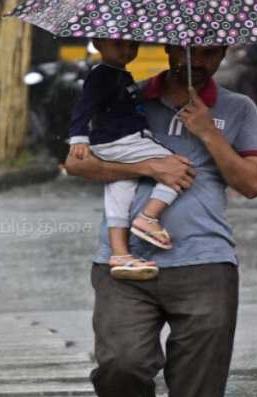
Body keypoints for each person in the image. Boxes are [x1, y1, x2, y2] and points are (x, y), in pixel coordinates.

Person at [63, 44, 257, 397]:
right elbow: (78, 163)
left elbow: (252, 182)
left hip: (207, 262)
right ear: (172, 46)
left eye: (215, 49)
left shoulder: (238, 108)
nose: (203, 57)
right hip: (123, 264)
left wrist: (207, 133)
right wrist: (149, 165)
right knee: (119, 365)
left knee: (198, 381)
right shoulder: (127, 94)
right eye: (193, 47)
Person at [67, 38, 180, 281]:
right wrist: (78, 137)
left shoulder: (119, 74)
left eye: (133, 46)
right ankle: (149, 218)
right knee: (176, 166)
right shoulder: (102, 74)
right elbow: (84, 106)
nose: (127, 51)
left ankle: (120, 254)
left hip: (113, 142)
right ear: (98, 44)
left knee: (120, 189)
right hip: (121, 139)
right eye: (119, 45)